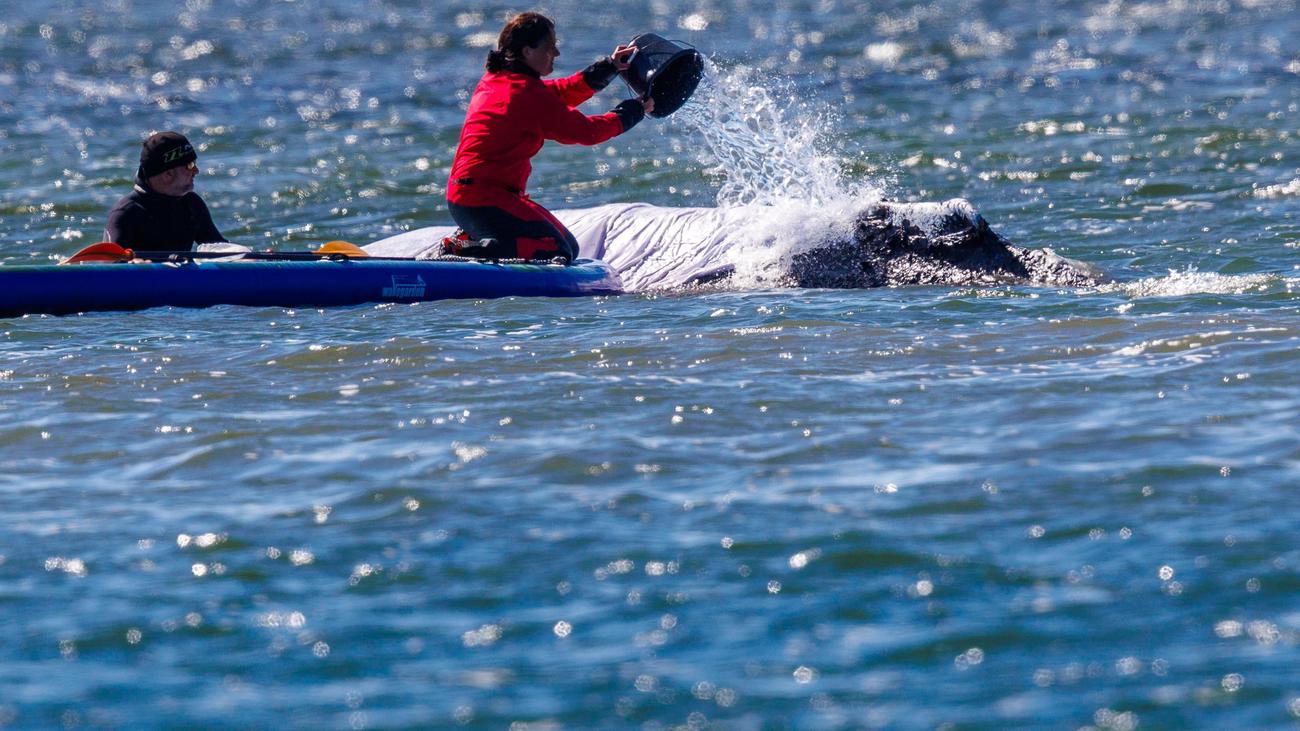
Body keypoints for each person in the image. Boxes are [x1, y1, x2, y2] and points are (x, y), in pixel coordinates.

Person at [444, 12, 653, 263]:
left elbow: (563, 91)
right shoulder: (522, 93)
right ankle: (464, 249)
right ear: (527, 51)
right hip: (483, 200)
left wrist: (610, 66)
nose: (557, 53)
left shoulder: (500, 80)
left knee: (569, 248)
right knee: (556, 250)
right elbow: (588, 132)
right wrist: (635, 110)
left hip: (473, 197)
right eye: (550, 47)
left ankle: (476, 242)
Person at [103, 131, 227, 251]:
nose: (196, 171)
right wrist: (133, 265)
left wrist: (242, 257)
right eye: (190, 165)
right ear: (168, 174)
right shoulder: (125, 213)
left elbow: (220, 249)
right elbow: (110, 266)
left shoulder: (191, 205)